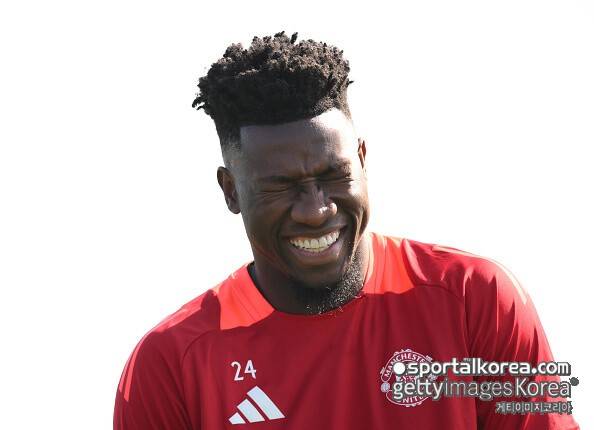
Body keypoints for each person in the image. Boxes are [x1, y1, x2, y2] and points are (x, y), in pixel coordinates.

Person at [113, 32, 579, 429]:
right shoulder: (170, 364)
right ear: (230, 190)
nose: (316, 210)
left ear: (362, 159)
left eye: (334, 175)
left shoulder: (477, 299)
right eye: (281, 186)